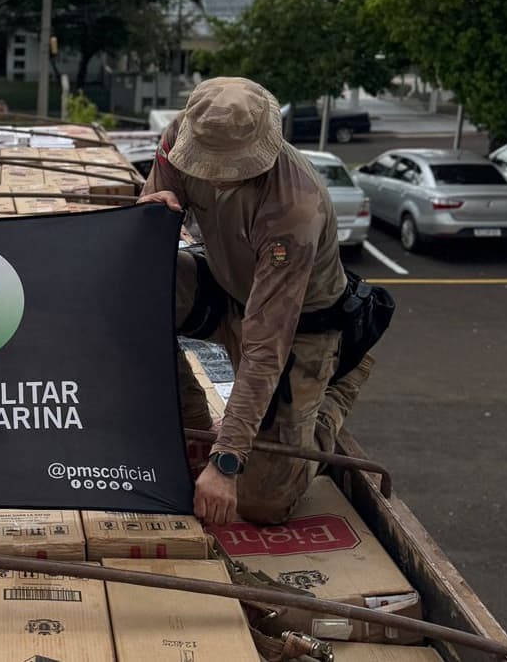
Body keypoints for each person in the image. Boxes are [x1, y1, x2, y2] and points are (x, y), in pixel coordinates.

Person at [139, 77, 374, 526]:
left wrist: (227, 460)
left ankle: (336, 388)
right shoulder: (182, 137)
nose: (218, 176)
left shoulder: (294, 209)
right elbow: (149, 222)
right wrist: (152, 211)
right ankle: (185, 417)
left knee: (262, 503)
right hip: (227, 286)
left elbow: (266, 346)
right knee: (135, 288)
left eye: (231, 168)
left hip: (300, 326)